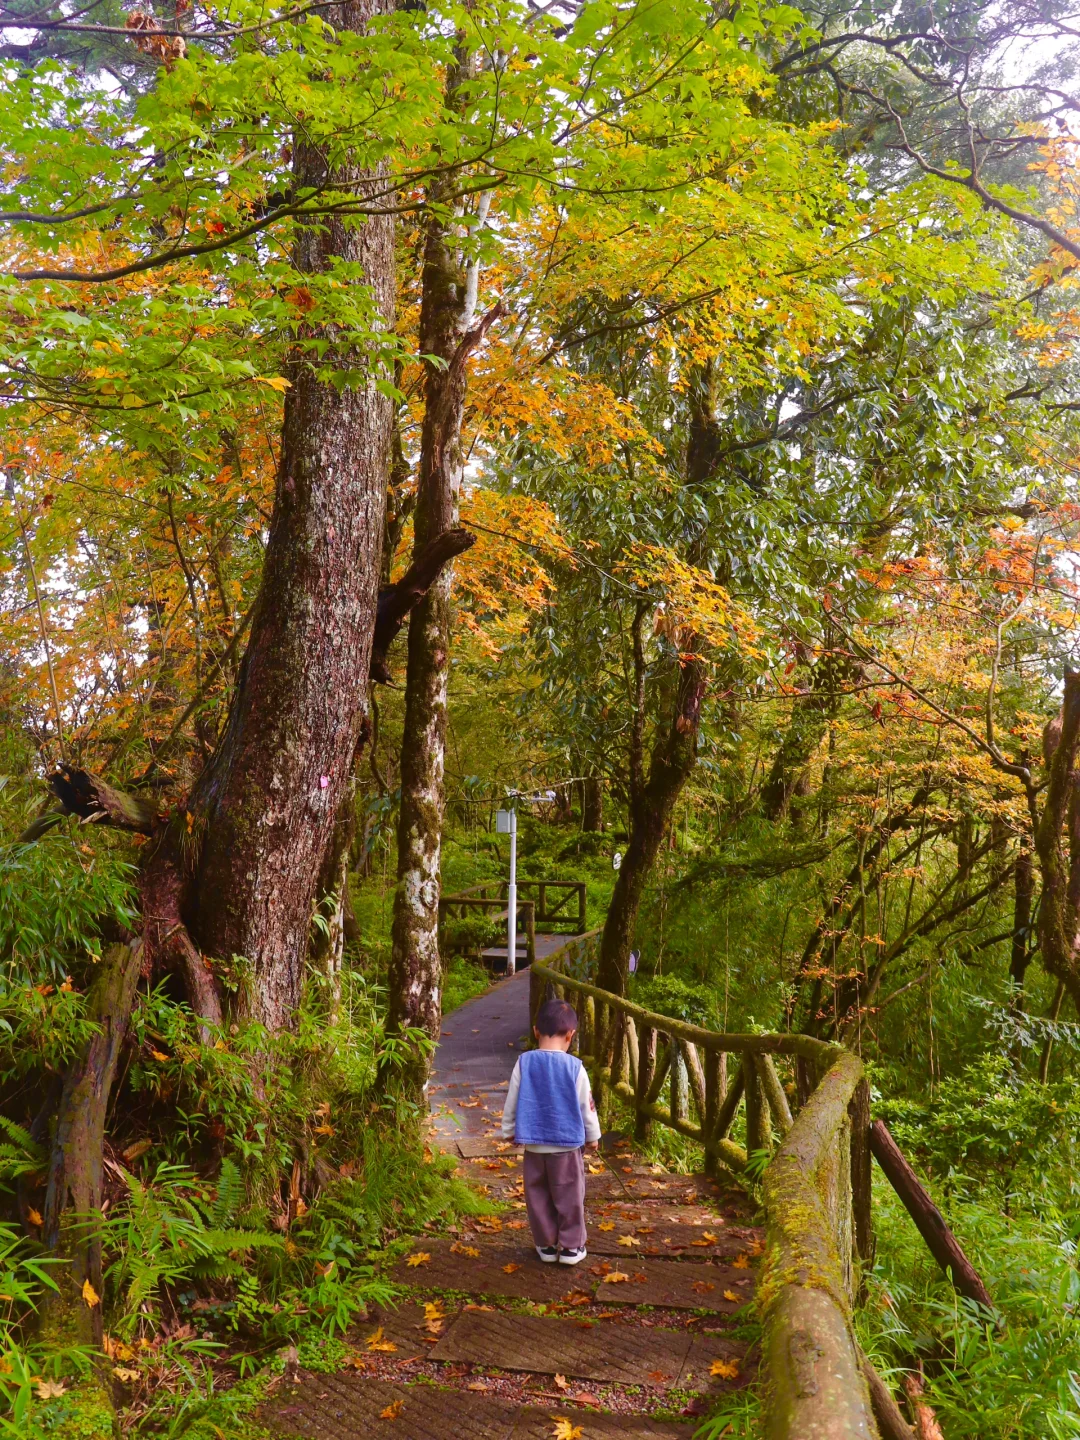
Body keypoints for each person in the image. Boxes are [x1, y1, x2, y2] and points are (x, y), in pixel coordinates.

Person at [501, 997, 601, 1265]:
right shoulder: (575, 1068)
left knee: (537, 1196)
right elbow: (586, 1106)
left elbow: (512, 1099)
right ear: (571, 1034)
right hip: (566, 1147)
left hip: (534, 1146)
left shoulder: (524, 1062)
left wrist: (509, 1130)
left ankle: (545, 1245)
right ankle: (570, 1247)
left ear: (536, 1031)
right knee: (569, 1197)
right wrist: (592, 1137)